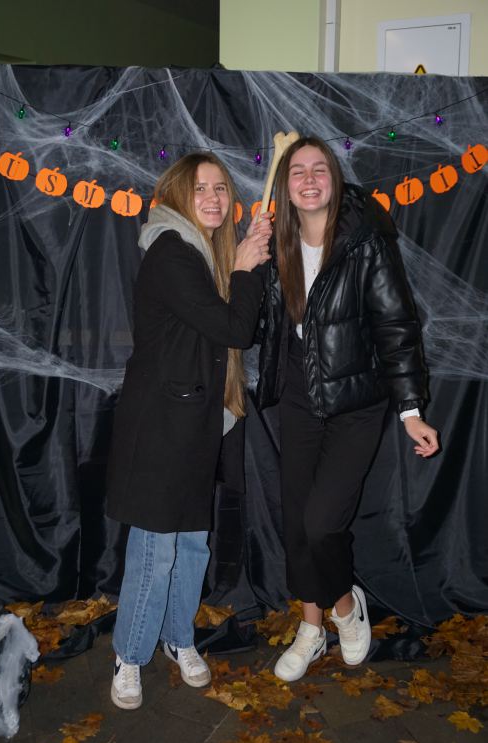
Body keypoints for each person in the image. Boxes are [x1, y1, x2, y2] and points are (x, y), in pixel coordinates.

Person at [256, 135, 439, 682]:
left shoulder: (364, 241)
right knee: (297, 523)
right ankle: (314, 625)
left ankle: (344, 607)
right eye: (298, 172)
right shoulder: (278, 243)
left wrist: (410, 410)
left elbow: (396, 325)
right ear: (286, 188)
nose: (309, 179)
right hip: (296, 398)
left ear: (334, 180)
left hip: (355, 403)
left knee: (321, 524)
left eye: (319, 169)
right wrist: (248, 258)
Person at [106, 152, 272, 709]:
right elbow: (234, 328)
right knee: (156, 548)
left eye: (221, 188)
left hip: (196, 420)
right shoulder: (172, 251)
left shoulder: (201, 250)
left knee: (193, 544)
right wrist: (245, 268)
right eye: (200, 187)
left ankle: (179, 638)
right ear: (178, 193)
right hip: (160, 426)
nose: (213, 197)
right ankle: (130, 654)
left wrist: (242, 259)